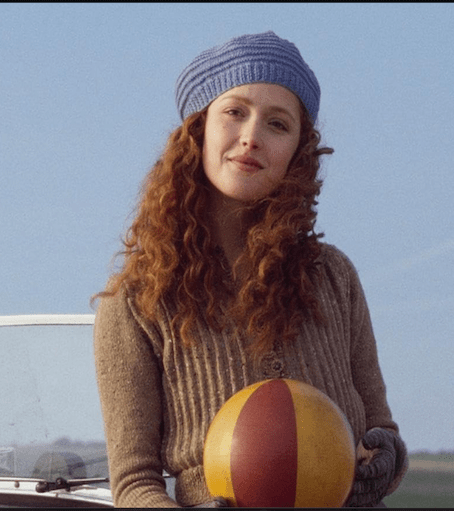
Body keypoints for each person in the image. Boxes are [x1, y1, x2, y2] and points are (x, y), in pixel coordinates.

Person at [93, 31, 408, 508]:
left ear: (298, 152)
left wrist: (386, 458)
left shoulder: (334, 276)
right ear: (198, 129)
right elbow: (134, 484)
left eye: (278, 124)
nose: (252, 136)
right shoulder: (136, 302)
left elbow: (381, 433)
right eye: (235, 112)